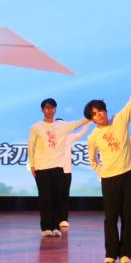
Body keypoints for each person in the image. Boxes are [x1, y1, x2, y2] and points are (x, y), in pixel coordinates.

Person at [86, 64, 131, 263]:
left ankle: (125, 253)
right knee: (111, 218)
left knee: (128, 215)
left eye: (101, 110)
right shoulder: (93, 137)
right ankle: (110, 252)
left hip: (128, 174)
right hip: (109, 179)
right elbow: (92, 160)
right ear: (92, 119)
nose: (99, 114)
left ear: (106, 111)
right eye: (95, 114)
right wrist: (102, 173)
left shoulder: (120, 120)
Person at [26, 99, 89, 237]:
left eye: (53, 108)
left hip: (58, 168)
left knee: (57, 198)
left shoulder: (63, 126)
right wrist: (32, 165)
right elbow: (31, 147)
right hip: (42, 168)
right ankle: (45, 228)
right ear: (42, 110)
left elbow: (79, 122)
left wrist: (92, 112)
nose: (50, 110)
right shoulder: (36, 127)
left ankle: (55, 227)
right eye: (47, 108)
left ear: (55, 110)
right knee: (45, 199)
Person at [58, 120, 91, 229]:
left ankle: (63, 219)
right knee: (54, 196)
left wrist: (88, 121)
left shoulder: (69, 137)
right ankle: (53, 219)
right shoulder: (52, 138)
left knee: (65, 196)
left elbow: (81, 132)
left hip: (67, 171)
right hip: (53, 171)